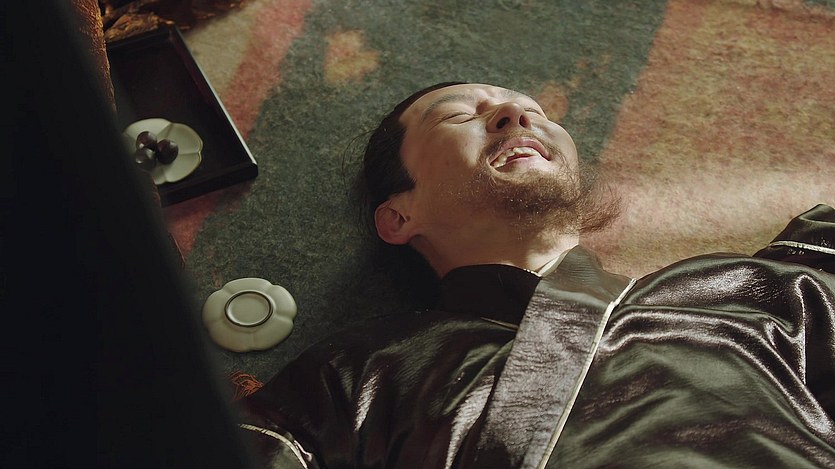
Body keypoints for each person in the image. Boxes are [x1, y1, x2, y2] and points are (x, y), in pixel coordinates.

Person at [235, 82, 835, 468]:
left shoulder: (747, 291)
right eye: (458, 117)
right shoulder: (358, 371)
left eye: (536, 110)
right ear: (399, 216)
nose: (515, 113)